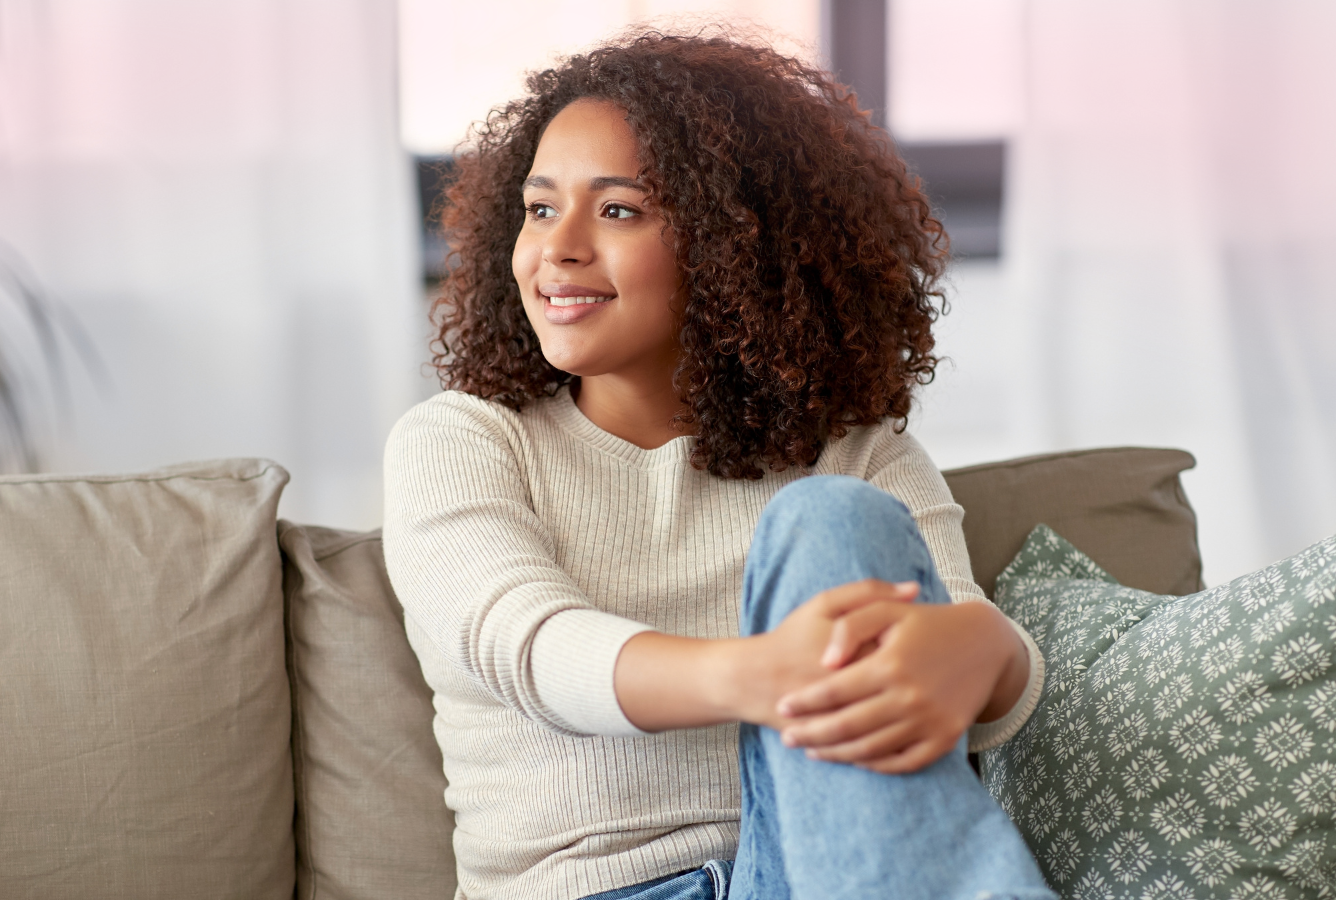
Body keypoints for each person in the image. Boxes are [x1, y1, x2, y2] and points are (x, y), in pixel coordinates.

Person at [384, 31, 1055, 900]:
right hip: (604, 892)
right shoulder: (462, 444)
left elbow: (965, 643)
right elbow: (532, 648)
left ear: (735, 242)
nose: (559, 248)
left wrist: (982, 648)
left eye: (619, 210)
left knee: (833, 518)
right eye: (540, 208)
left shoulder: (858, 454)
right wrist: (765, 674)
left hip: (822, 871)